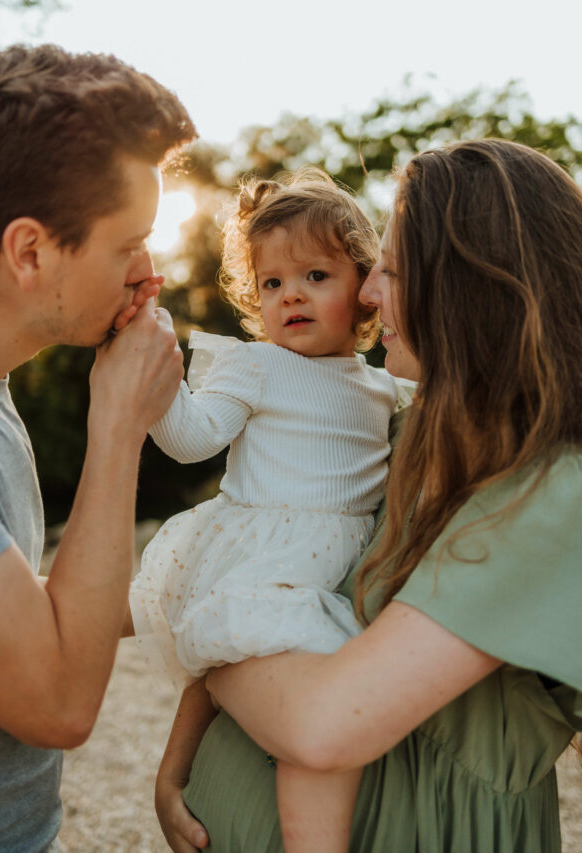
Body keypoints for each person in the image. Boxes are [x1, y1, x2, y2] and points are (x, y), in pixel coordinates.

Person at [154, 139, 582, 853]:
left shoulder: (550, 493)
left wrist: (204, 630)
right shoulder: (407, 431)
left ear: (474, 284)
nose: (369, 291)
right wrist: (178, 766)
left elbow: (321, 722)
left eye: (390, 266)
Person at [0, 44, 196, 851]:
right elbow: (56, 702)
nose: (148, 273)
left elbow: (9, 617)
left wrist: (220, 585)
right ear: (30, 251)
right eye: (129, 244)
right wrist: (118, 425)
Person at [130, 169, 404, 852]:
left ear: (364, 289)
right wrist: (155, 374)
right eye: (273, 283)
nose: (292, 296)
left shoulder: (384, 385)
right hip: (267, 551)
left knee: (249, 673)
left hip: (338, 565)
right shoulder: (257, 366)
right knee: (278, 668)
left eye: (316, 275)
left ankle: (193, 786)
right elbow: (192, 438)